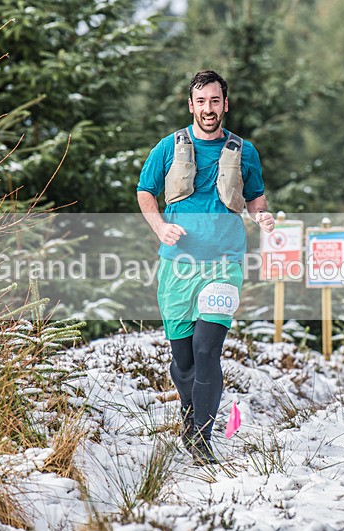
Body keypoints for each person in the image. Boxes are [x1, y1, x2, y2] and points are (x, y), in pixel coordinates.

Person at [137, 70, 275, 465]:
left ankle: (201, 437)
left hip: (224, 263)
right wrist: (160, 226)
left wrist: (261, 217)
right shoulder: (168, 146)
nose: (209, 109)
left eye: (215, 101)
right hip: (177, 267)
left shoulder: (243, 150)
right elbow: (145, 191)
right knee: (183, 360)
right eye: (202, 102)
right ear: (191, 105)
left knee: (207, 349)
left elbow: (255, 198)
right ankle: (190, 413)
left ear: (225, 104)